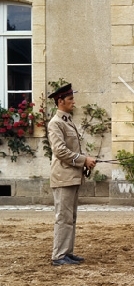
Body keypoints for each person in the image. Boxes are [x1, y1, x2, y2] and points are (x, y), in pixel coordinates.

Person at [47, 83, 97, 266]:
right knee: (63, 217)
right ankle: (58, 256)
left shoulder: (66, 121)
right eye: (70, 99)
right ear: (60, 101)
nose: (73, 102)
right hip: (63, 177)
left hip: (71, 176)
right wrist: (83, 160)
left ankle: (66, 252)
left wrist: (84, 162)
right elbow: (60, 151)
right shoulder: (56, 123)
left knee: (70, 217)